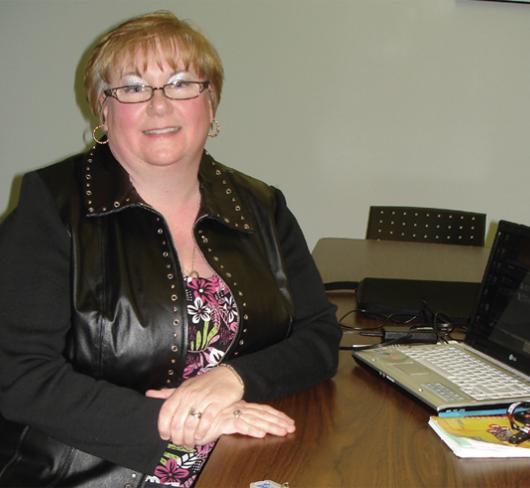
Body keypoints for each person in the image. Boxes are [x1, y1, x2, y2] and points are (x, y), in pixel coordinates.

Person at [0, 10, 341, 488]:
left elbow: (320, 337)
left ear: (211, 102)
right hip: (91, 474)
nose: (159, 105)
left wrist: (232, 379)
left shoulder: (262, 207)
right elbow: (18, 375)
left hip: (243, 462)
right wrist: (174, 420)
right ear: (103, 109)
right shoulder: (51, 207)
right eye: (134, 88)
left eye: (181, 83)